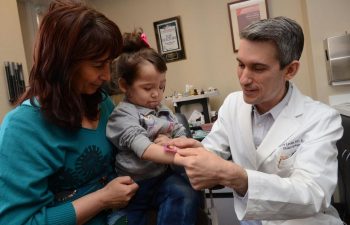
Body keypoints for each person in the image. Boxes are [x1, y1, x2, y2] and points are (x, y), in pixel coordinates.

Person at [170, 16, 344, 225]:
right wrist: (195, 152)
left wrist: (238, 178)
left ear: (290, 70)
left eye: (258, 68)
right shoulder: (233, 104)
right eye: (241, 65)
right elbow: (213, 150)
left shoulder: (321, 119)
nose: (244, 79)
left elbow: (313, 194)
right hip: (251, 220)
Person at [0, 1, 139, 224]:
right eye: (97, 65)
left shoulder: (102, 104)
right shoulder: (21, 128)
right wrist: (103, 199)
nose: (106, 76)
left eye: (109, 64)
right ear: (63, 63)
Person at [106, 29, 200, 225]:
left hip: (162, 178)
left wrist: (172, 141)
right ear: (124, 85)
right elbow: (145, 149)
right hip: (133, 187)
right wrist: (183, 157)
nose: (156, 94)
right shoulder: (121, 115)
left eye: (161, 86)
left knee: (186, 194)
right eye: (148, 88)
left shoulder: (162, 109)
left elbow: (181, 134)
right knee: (119, 222)